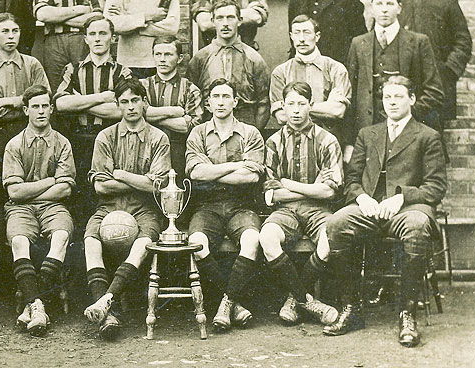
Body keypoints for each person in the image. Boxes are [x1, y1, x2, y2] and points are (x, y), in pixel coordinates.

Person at [323, 76, 447, 348]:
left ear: (412, 99)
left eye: (398, 96)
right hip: (370, 209)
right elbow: (352, 179)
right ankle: (351, 308)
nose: (391, 102)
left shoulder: (427, 136)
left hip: (408, 210)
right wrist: (362, 197)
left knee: (416, 226)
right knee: (336, 224)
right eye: (387, 97)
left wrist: (402, 197)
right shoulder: (369, 134)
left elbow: (436, 187)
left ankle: (407, 313)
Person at [82, 79, 171, 340]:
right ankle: (106, 312)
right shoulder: (105, 137)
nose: (131, 107)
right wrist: (137, 179)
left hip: (144, 209)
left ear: (145, 102)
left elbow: (155, 186)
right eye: (124, 102)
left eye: (135, 100)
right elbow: (100, 187)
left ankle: (108, 298)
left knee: (143, 243)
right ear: (117, 105)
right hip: (108, 207)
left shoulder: (158, 138)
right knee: (90, 242)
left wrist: (119, 174)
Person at [0, 12, 50, 296]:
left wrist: (2, 102)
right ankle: (0, 276)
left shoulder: (32, 64)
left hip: (30, 141)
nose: (11, 36)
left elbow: (43, 100)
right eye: (5, 31)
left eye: (15, 30)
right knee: (0, 207)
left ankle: (32, 278)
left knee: (33, 202)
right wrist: (20, 102)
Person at [185, 79, 265, 332]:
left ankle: (225, 303)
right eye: (215, 96)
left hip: (241, 204)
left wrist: (212, 170)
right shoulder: (197, 133)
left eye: (226, 96)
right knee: (197, 242)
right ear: (208, 103)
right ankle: (233, 304)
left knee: (252, 239)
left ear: (235, 102)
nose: (220, 101)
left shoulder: (250, 133)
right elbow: (196, 173)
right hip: (207, 205)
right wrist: (234, 165)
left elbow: (252, 176)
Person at [260, 81, 341, 327]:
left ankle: (295, 299)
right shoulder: (273, 142)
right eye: (291, 104)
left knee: (332, 239)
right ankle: (307, 300)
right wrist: (310, 190)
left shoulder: (327, 141)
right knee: (267, 237)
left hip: (319, 211)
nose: (296, 110)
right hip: (285, 212)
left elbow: (330, 192)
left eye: (302, 104)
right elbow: (271, 194)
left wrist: (289, 184)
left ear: (311, 106)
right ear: (282, 107)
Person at [2, 85, 76, 336]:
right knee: (20, 241)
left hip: (54, 207)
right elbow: (14, 193)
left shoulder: (62, 143)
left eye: (45, 106)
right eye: (36, 106)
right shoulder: (14, 145)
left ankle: (32, 303)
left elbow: (65, 190)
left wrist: (30, 188)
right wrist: (48, 182)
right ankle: (39, 304)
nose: (41, 111)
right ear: (26, 110)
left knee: (61, 237)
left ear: (52, 109)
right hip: (20, 209)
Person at [345, 0, 444, 162]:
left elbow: (434, 92)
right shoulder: (358, 44)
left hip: (409, 133)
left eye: (390, 4)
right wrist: (349, 142)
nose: (384, 9)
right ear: (371, 7)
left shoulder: (418, 42)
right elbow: (349, 96)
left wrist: (405, 116)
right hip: (367, 134)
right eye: (379, 3)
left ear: (399, 8)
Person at [54, 17, 132, 227]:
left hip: (110, 141)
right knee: (80, 197)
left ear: (113, 38)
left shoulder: (122, 72)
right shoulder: (73, 69)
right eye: (93, 34)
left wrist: (79, 101)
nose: (98, 39)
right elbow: (61, 104)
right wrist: (101, 97)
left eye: (103, 34)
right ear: (86, 39)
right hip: (78, 140)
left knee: (106, 197)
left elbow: (122, 110)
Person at [400, 0, 473, 123]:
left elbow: (463, 42)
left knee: (433, 138)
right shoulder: (395, 1)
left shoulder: (446, 2)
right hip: (400, 84)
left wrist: (447, 72)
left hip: (434, 85)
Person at [186, 0, 270, 131]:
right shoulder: (200, 59)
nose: (225, 24)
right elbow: (192, 101)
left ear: (240, 21)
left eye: (230, 18)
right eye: (220, 18)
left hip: (244, 126)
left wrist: (251, 135)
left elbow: (263, 104)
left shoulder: (254, 59)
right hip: (209, 128)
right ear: (213, 21)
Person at [270, 15, 351, 145]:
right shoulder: (280, 73)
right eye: (297, 33)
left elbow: (338, 111)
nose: (301, 39)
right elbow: (281, 117)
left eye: (307, 32)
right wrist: (325, 106)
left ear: (317, 36)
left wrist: (295, 108)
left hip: (328, 143)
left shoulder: (336, 69)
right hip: (292, 142)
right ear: (291, 36)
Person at [140, 36, 204, 178]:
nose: (162, 59)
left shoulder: (190, 89)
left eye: (168, 54)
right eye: (158, 54)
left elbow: (191, 126)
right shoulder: (141, 86)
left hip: (178, 154)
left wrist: (150, 117)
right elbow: (136, 114)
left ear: (180, 58)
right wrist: (176, 112)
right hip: (145, 153)